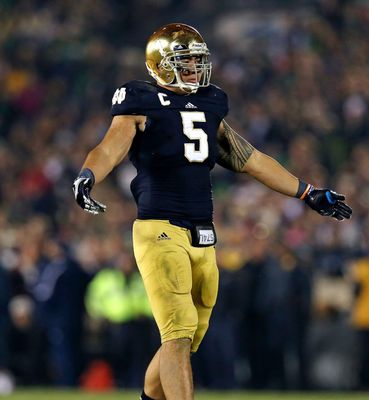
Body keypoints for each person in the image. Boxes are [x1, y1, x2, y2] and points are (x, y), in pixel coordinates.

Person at [72, 23, 352, 400]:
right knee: (178, 332)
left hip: (203, 233)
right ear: (160, 64)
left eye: (196, 61)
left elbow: (248, 158)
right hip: (160, 229)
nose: (193, 69)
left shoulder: (209, 102)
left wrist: (307, 192)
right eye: (184, 61)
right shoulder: (139, 100)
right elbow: (110, 147)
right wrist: (89, 174)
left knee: (186, 341)